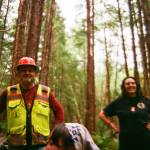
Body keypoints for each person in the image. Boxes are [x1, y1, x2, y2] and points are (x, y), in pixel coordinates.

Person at [0, 57, 64, 150]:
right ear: (18, 73)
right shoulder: (9, 92)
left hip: (41, 146)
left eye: (30, 70)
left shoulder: (45, 92)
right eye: (23, 70)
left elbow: (59, 111)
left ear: (35, 74)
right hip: (15, 146)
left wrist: (55, 133)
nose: (27, 73)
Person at [99, 76, 150, 150]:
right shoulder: (118, 102)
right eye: (128, 84)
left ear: (136, 85)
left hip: (145, 140)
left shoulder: (144, 100)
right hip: (126, 142)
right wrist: (112, 125)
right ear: (124, 87)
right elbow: (101, 114)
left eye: (133, 83)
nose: (131, 85)